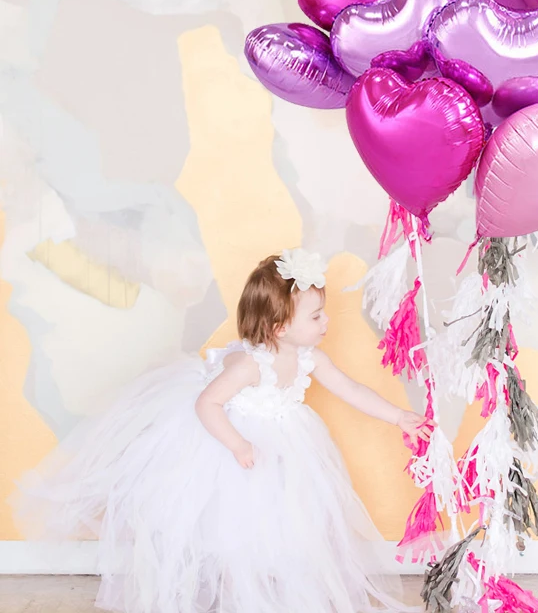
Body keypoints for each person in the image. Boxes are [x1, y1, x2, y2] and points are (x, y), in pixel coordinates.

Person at [11, 248, 431, 612]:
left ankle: (268, 587)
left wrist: (398, 416)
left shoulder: (309, 357)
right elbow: (206, 403)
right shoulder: (251, 365)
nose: (326, 322)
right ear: (280, 327)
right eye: (316, 315)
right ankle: (232, 591)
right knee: (229, 525)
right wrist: (237, 444)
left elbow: (351, 389)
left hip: (285, 442)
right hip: (229, 442)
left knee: (285, 518)